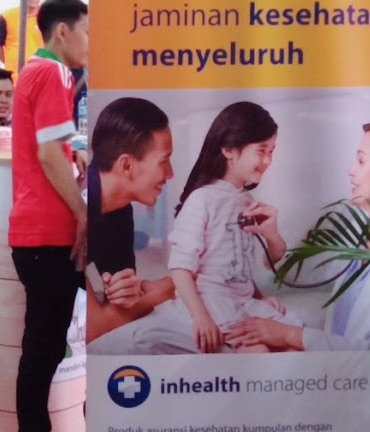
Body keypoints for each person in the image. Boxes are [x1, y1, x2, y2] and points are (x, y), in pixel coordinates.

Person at [95, 101, 288, 356]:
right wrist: (193, 310)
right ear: (229, 150)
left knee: (288, 344)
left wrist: (259, 298)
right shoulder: (202, 200)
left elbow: (236, 265)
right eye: (262, 150)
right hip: (214, 305)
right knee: (258, 351)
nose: (267, 160)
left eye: (271, 151)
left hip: (237, 302)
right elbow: (181, 268)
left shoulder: (245, 202)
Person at [232, 119, 370, 353]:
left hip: (360, 372)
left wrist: (290, 335)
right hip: (336, 363)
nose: (351, 170)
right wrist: (272, 236)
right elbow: (300, 276)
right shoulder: (361, 233)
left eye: (361, 161)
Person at [8, 0, 89, 432]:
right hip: (46, 232)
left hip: (36, 232)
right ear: (63, 31)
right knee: (42, 349)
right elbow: (47, 154)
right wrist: (82, 214)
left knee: (43, 345)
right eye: (87, 31)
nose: (91, 43)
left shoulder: (36, 71)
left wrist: (77, 149)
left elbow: (56, 143)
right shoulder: (54, 72)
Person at [85, 96, 176, 340]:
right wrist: (163, 291)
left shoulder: (120, 210)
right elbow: (92, 327)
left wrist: (128, 292)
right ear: (126, 165)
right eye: (164, 161)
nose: (170, 174)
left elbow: (119, 302)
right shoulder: (75, 206)